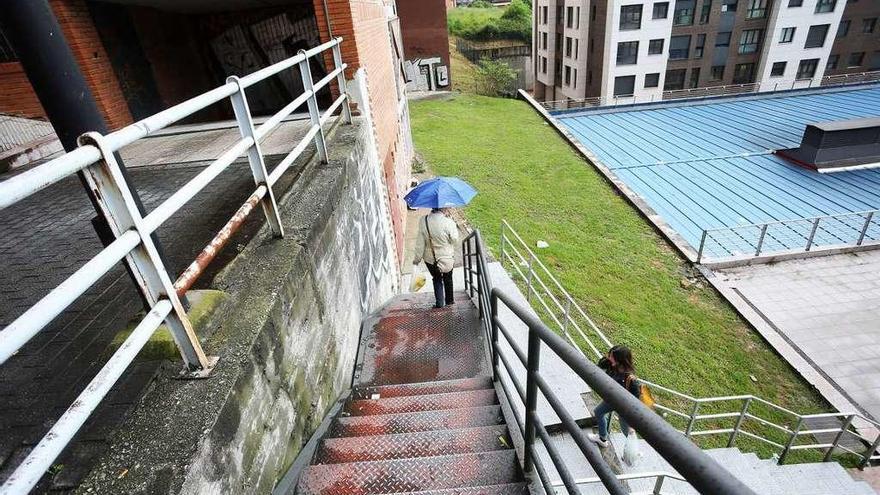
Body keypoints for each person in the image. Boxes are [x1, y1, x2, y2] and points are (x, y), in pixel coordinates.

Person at [588, 345, 641, 448]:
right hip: (612, 399)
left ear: (620, 360)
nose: (609, 358)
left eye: (612, 356)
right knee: (598, 412)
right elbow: (598, 369)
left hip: (624, 407)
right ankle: (602, 438)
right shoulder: (613, 366)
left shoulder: (631, 379)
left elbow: (636, 401)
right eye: (610, 355)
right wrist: (605, 360)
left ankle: (633, 450)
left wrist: (631, 422)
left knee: (627, 430)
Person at [413, 208, 459, 308]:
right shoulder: (449, 222)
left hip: (430, 259)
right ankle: (450, 302)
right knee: (448, 278)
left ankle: (439, 303)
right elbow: (455, 240)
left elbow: (420, 243)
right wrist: (452, 223)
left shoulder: (423, 221)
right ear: (443, 208)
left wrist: (417, 259)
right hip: (446, 258)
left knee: (437, 279)